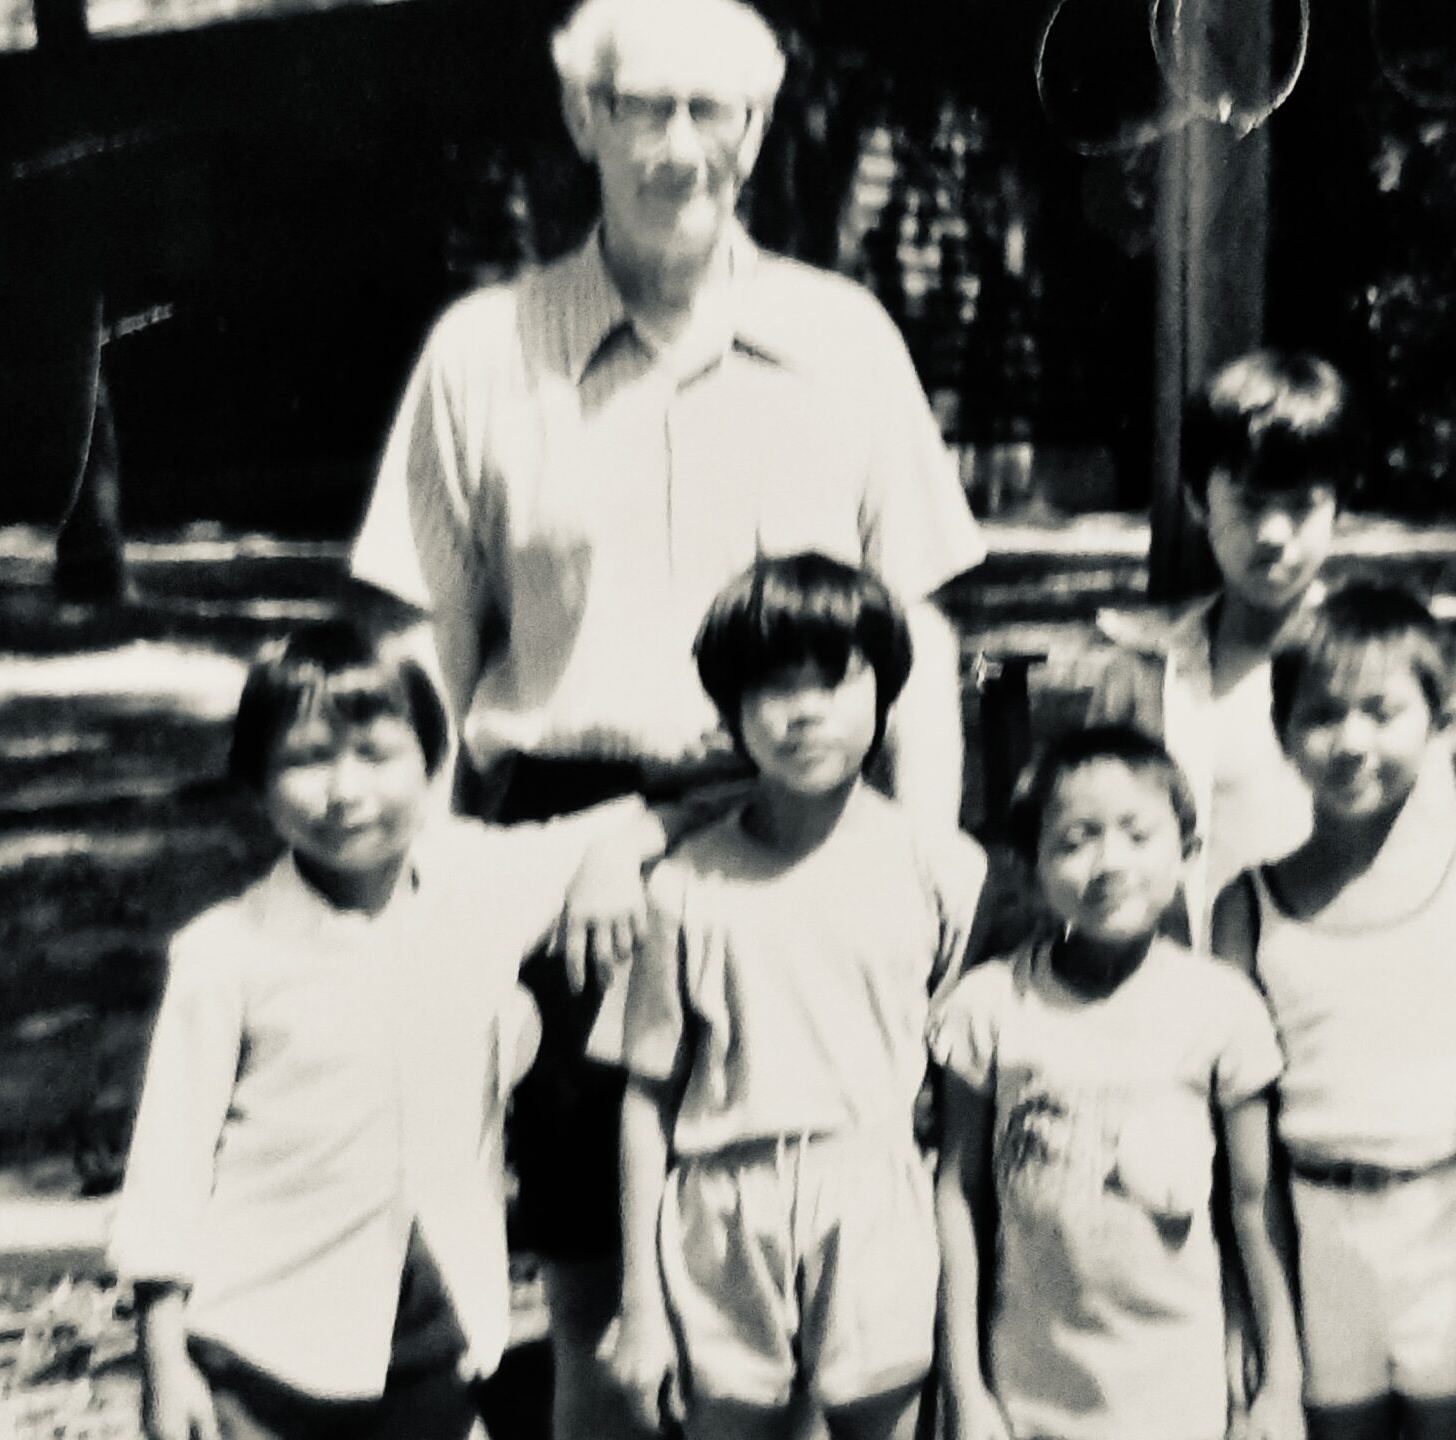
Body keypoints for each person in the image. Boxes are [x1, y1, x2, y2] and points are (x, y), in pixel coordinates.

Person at [347, 0, 987, 1429]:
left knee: (840, 1270)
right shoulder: (483, 352)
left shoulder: (847, 341)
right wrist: (454, 903)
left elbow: (921, 631)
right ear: (584, 121)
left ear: (757, 133)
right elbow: (424, 663)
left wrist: (928, 857)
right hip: (566, 867)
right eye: (644, 110)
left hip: (815, 852)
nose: (679, 146)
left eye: (713, 113)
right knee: (608, 1299)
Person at [109, 617, 668, 1440]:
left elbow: (669, 810)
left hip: (434, 1342)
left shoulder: (477, 885)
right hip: (259, 1351)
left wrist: (618, 860)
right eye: (305, 760)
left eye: (375, 754)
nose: (345, 792)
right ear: (256, 784)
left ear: (432, 762)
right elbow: (166, 1169)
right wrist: (164, 1361)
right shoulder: (225, 954)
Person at [604, 553, 988, 1440]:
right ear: (731, 708)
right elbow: (644, 1098)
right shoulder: (683, 886)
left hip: (877, 1195)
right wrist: (640, 1303)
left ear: (885, 691)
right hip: (723, 1209)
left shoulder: (942, 871)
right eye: (773, 686)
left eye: (834, 680)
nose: (805, 710)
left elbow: (961, 1071)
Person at [1210, 585, 1456, 1440]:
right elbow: (1238, 1126)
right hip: (1315, 1230)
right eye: (1321, 714)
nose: (1351, 741)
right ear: (1281, 733)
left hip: (1448, 1220)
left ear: (1439, 721)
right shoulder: (1247, 907)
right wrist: (1254, 1303)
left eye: (1381, 711)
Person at [933, 726, 1303, 1440]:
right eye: (1074, 841)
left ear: (1187, 853)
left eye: (1138, 834)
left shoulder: (1222, 1007)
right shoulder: (989, 1006)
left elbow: (1254, 1203)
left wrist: (1280, 1382)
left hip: (1180, 1389)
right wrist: (966, 1389)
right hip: (1030, 1391)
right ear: (1030, 868)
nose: (1110, 863)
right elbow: (960, 1195)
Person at [1086, 351, 1456, 943]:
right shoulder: (1143, 677)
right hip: (1194, 992)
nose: (1273, 534)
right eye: (1250, 504)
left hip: (1334, 987)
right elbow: (1085, 843)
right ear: (1197, 500)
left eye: (1301, 505)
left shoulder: (1388, 666)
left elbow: (1439, 855)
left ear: (1339, 503)